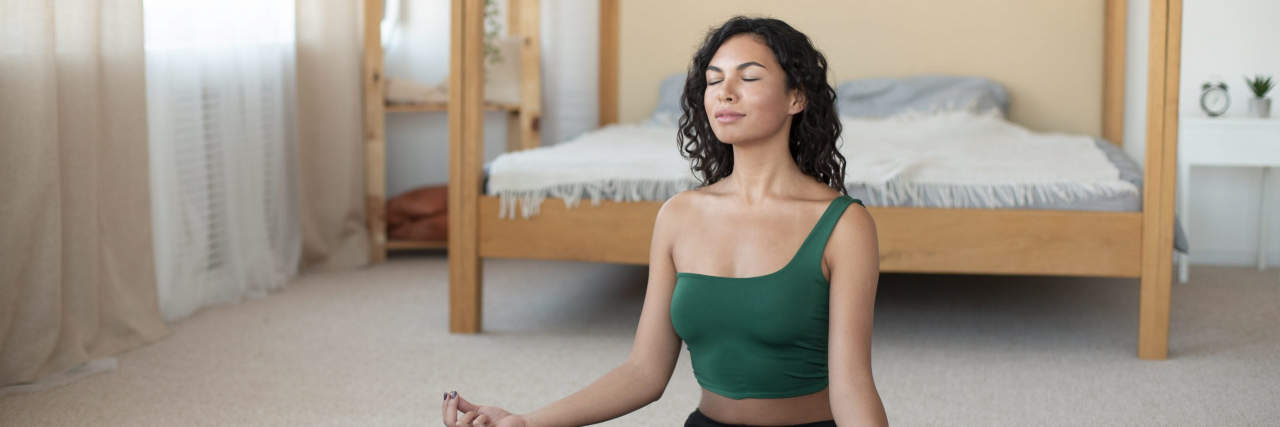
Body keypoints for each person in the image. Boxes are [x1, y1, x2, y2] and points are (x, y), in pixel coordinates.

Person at [442, 16, 887, 427]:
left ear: (797, 96)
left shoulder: (843, 225)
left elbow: (851, 387)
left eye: (748, 77)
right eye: (714, 80)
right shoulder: (678, 216)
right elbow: (644, 372)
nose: (724, 92)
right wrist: (525, 422)